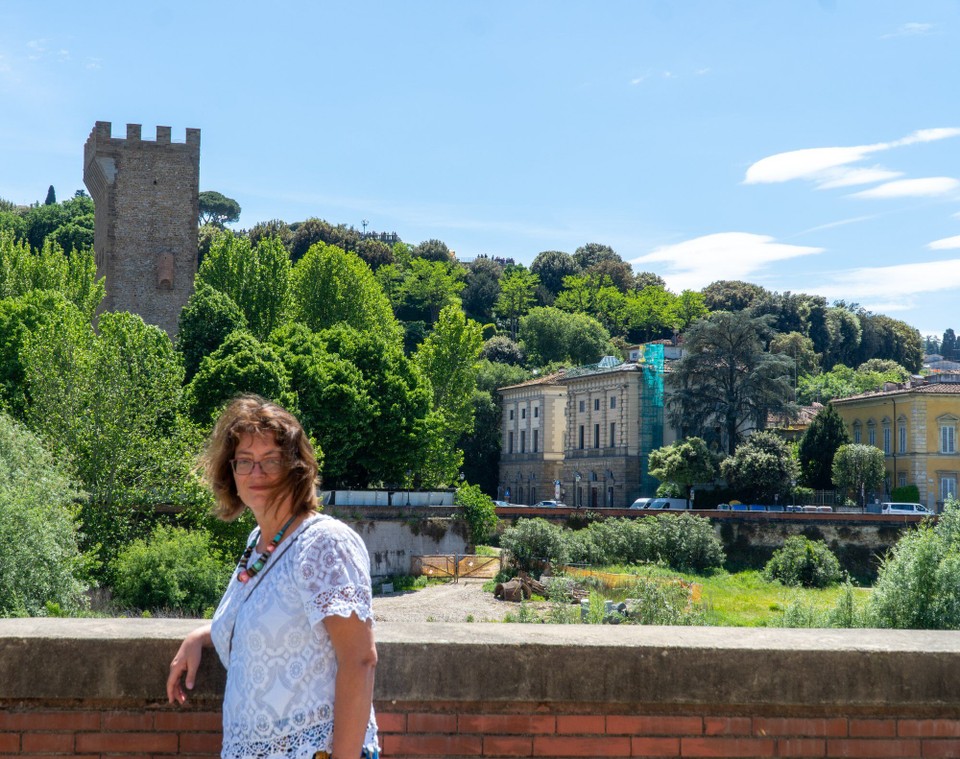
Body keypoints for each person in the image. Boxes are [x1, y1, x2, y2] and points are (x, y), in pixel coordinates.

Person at [167, 395, 379, 759]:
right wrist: (202, 636)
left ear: (296, 468)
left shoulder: (324, 543)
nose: (256, 473)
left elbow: (360, 660)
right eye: (244, 462)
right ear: (230, 473)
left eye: (271, 461)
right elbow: (268, 619)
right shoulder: (258, 543)